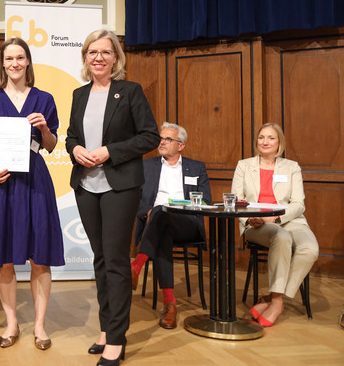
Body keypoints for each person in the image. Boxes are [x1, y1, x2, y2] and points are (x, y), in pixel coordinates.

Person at [65, 29, 159, 366]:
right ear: (86, 58)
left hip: (120, 186)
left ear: (116, 58)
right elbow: (71, 135)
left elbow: (150, 136)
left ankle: (116, 340)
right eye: (93, 52)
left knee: (117, 261)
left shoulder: (130, 92)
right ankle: (107, 327)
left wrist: (109, 151)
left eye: (106, 52)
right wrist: (75, 148)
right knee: (101, 258)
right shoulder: (79, 94)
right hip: (86, 186)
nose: (99, 58)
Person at [0, 38, 65, 351]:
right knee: (4, 259)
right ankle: (12, 323)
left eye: (20, 57)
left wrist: (44, 129)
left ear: (28, 62)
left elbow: (51, 146)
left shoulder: (44, 98)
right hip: (0, 182)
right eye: (9, 58)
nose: (14, 63)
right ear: (3, 62)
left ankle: (39, 326)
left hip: (35, 181)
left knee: (40, 256)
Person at [232, 122, 318, 327]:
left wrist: (276, 218)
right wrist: (249, 219)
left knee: (310, 249)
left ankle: (273, 297)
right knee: (282, 237)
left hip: (289, 220)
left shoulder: (291, 167)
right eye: (261, 137)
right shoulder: (244, 165)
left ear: (279, 142)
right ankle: (278, 303)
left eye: (271, 138)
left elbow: (298, 204)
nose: (265, 142)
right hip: (257, 224)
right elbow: (236, 201)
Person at [130, 122, 211, 329]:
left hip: (187, 224)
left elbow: (206, 201)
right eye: (161, 138)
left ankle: (136, 265)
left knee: (161, 212)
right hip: (156, 223)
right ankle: (170, 304)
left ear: (181, 145)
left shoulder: (196, 167)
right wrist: (146, 211)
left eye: (168, 139)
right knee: (160, 217)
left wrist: (184, 207)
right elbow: (136, 199)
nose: (162, 142)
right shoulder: (147, 165)